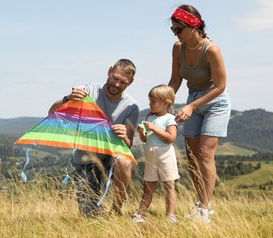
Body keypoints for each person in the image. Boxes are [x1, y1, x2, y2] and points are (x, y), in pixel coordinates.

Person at [48, 59, 139, 217]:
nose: (117, 84)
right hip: (85, 161)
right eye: (115, 78)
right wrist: (67, 98)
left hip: (111, 159)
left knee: (124, 160)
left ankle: (116, 210)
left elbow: (129, 144)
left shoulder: (131, 106)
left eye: (123, 82)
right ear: (109, 71)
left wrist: (125, 136)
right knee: (89, 217)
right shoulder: (89, 90)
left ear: (130, 82)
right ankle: (95, 210)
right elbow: (51, 113)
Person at [168, 4, 232, 223]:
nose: (175, 34)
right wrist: (166, 100)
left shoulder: (211, 49)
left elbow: (220, 86)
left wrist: (192, 107)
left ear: (193, 25)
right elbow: (176, 80)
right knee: (192, 156)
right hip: (192, 99)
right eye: (173, 29)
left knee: (205, 153)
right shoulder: (178, 48)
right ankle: (200, 201)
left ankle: (204, 208)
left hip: (215, 102)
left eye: (178, 29)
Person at [132, 85, 179, 224]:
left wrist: (153, 128)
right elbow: (145, 139)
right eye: (150, 101)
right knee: (148, 185)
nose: (150, 104)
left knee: (168, 186)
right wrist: (142, 133)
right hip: (151, 154)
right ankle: (141, 215)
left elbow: (171, 138)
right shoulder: (150, 117)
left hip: (165, 154)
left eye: (154, 101)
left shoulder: (169, 119)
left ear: (166, 103)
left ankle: (170, 215)